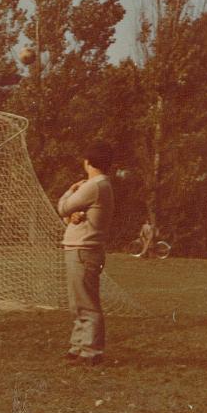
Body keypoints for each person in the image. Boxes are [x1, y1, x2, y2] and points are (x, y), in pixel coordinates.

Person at [57, 140, 115, 366]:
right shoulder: (101, 187)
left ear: (87, 162)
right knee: (79, 302)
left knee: (86, 303)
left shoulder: (93, 186)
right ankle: (79, 345)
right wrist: (71, 216)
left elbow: (63, 206)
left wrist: (69, 191)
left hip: (83, 249)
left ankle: (91, 350)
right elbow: (69, 214)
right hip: (82, 249)